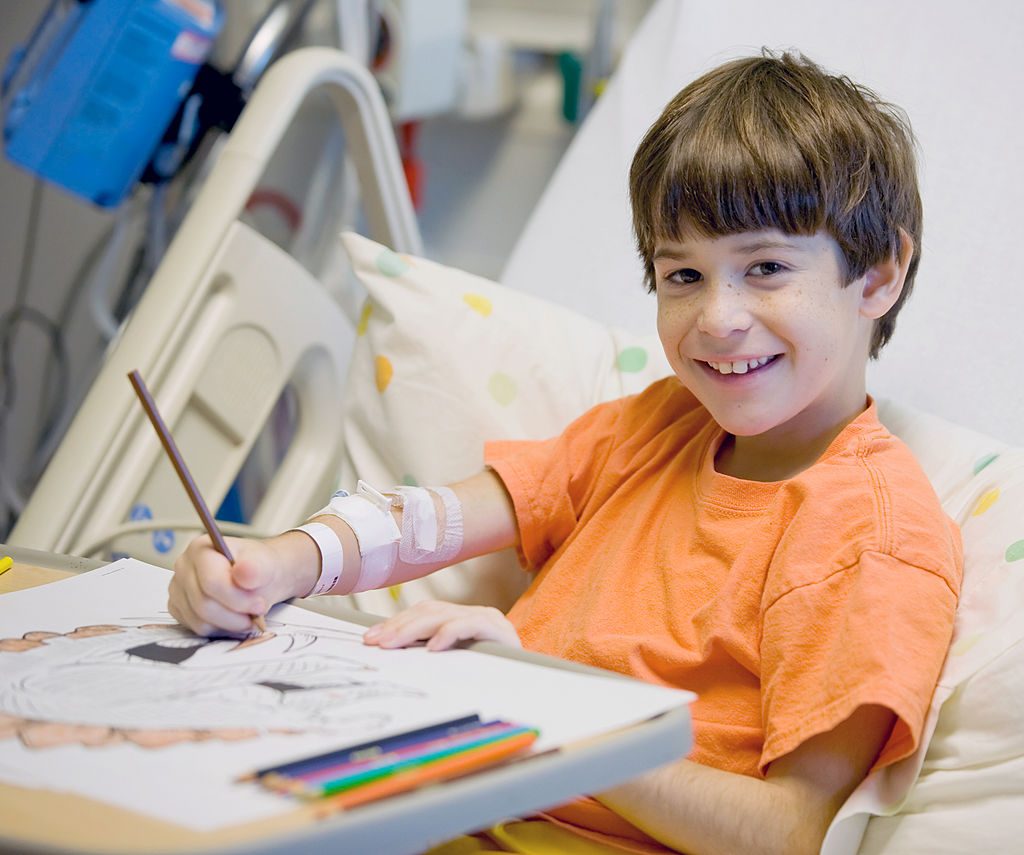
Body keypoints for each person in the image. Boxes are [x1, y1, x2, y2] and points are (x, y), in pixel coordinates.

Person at [169, 51, 963, 855]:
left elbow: (787, 834)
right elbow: (438, 519)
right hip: (445, 799)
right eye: (682, 273)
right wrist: (281, 564)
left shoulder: (869, 536)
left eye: (765, 267)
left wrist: (546, 707)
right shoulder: (656, 426)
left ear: (879, 274)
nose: (718, 317)